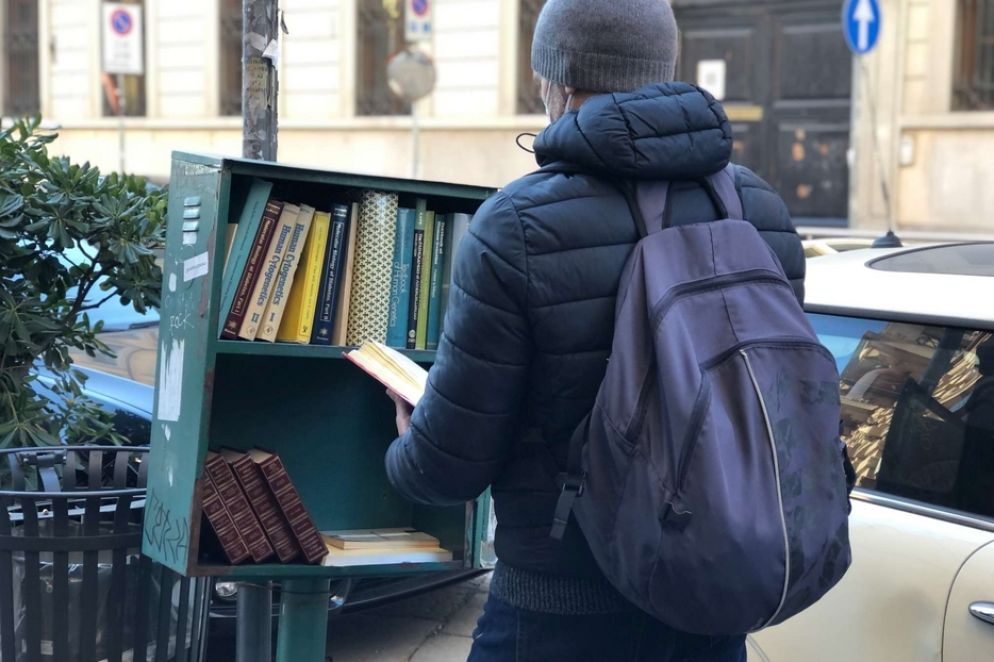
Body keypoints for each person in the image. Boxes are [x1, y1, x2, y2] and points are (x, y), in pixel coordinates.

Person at [384, 1, 805, 659]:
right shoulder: (761, 210)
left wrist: (409, 437)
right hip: (713, 606)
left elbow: (447, 471)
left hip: (558, 618)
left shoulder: (516, 225)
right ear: (665, 67)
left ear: (557, 78)